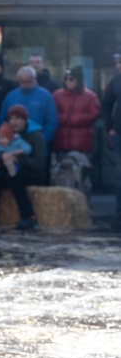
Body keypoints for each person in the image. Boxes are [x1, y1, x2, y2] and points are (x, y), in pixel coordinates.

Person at [0, 104, 46, 230]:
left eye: (17, 118)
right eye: (11, 118)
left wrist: (18, 159)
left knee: (13, 177)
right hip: (8, 169)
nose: (13, 122)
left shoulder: (36, 136)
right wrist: (0, 158)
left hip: (32, 173)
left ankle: (29, 216)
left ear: (25, 120)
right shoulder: (7, 134)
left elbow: (39, 164)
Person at [0, 66, 58, 147]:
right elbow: (3, 120)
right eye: (22, 81)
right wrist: (6, 138)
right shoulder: (11, 96)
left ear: (35, 78)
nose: (25, 84)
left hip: (38, 145)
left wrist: (42, 141)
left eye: (28, 81)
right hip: (13, 145)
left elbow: (52, 121)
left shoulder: (45, 96)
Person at [52, 65, 101, 159]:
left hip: (82, 145)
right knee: (62, 171)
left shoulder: (90, 96)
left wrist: (74, 119)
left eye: (71, 79)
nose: (68, 82)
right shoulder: (57, 95)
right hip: (61, 143)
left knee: (81, 172)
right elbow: (50, 113)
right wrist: (67, 118)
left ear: (78, 80)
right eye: (66, 79)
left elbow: (94, 114)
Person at [102, 53, 121, 227]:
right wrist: (110, 128)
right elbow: (106, 104)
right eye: (116, 62)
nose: (118, 66)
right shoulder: (115, 80)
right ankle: (119, 212)